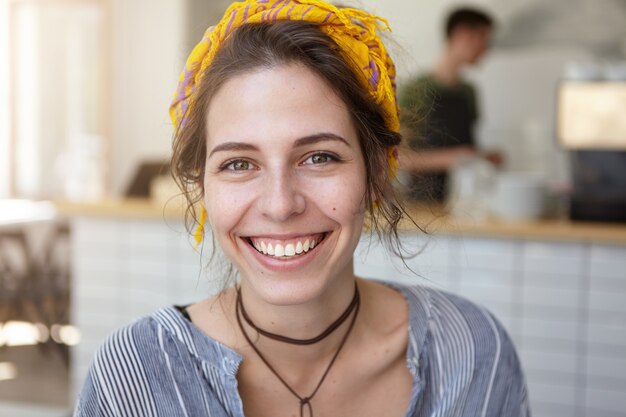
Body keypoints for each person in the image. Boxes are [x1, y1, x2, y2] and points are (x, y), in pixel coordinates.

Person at [74, 1, 529, 416]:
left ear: (375, 173)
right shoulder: (132, 379)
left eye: (319, 157)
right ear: (203, 188)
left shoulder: (470, 355)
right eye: (238, 163)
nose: (280, 204)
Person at [399, 7, 501, 201]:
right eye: (484, 39)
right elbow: (400, 158)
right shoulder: (415, 91)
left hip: (466, 201)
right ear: (463, 33)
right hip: (424, 204)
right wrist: (455, 159)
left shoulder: (469, 92)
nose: (486, 49)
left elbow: (465, 147)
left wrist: (482, 156)